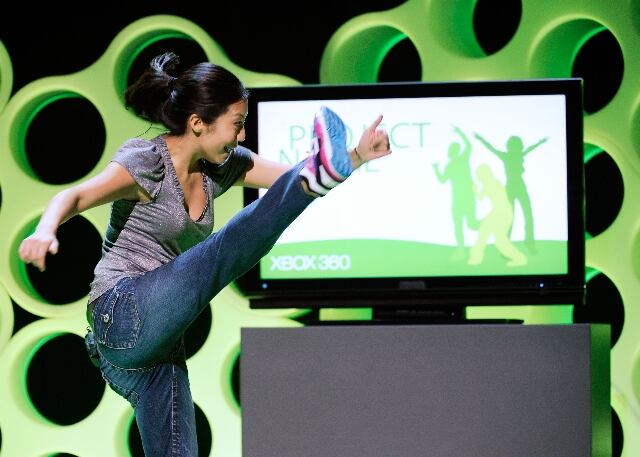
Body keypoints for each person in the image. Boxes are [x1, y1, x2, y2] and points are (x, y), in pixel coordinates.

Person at [18, 52, 391, 456]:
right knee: (220, 252)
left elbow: (288, 181)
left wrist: (355, 156)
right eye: (237, 124)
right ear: (198, 123)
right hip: (120, 312)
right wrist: (45, 230)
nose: (241, 137)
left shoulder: (221, 165)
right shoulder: (147, 162)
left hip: (153, 350)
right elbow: (75, 196)